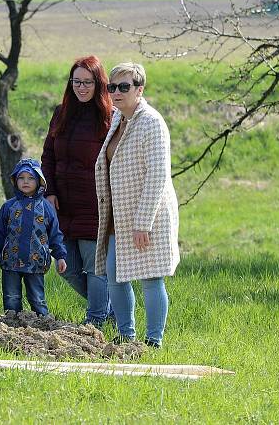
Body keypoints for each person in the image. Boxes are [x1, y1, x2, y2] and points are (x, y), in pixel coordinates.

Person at [94, 62, 180, 348]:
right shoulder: (119, 118)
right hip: (119, 214)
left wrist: (143, 222)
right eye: (112, 87)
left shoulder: (152, 122)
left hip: (148, 215)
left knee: (150, 278)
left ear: (139, 89)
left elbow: (158, 175)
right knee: (115, 276)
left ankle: (153, 341)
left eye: (124, 87)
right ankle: (126, 337)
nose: (116, 92)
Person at [41, 55, 113, 328]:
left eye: (88, 82)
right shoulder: (61, 114)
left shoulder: (109, 118)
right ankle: (109, 310)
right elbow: (48, 156)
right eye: (76, 82)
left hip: (94, 205)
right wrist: (49, 192)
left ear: (99, 84)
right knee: (66, 266)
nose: (81, 87)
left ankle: (95, 322)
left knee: (96, 269)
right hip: (62, 205)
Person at [0, 159, 68, 315]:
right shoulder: (9, 207)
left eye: (31, 178)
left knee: (37, 298)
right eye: (21, 178)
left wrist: (60, 256)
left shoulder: (46, 208)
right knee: (11, 298)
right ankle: (11, 327)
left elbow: (55, 235)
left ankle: (43, 325)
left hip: (36, 262)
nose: (26, 182)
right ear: (15, 181)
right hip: (11, 262)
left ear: (39, 181)